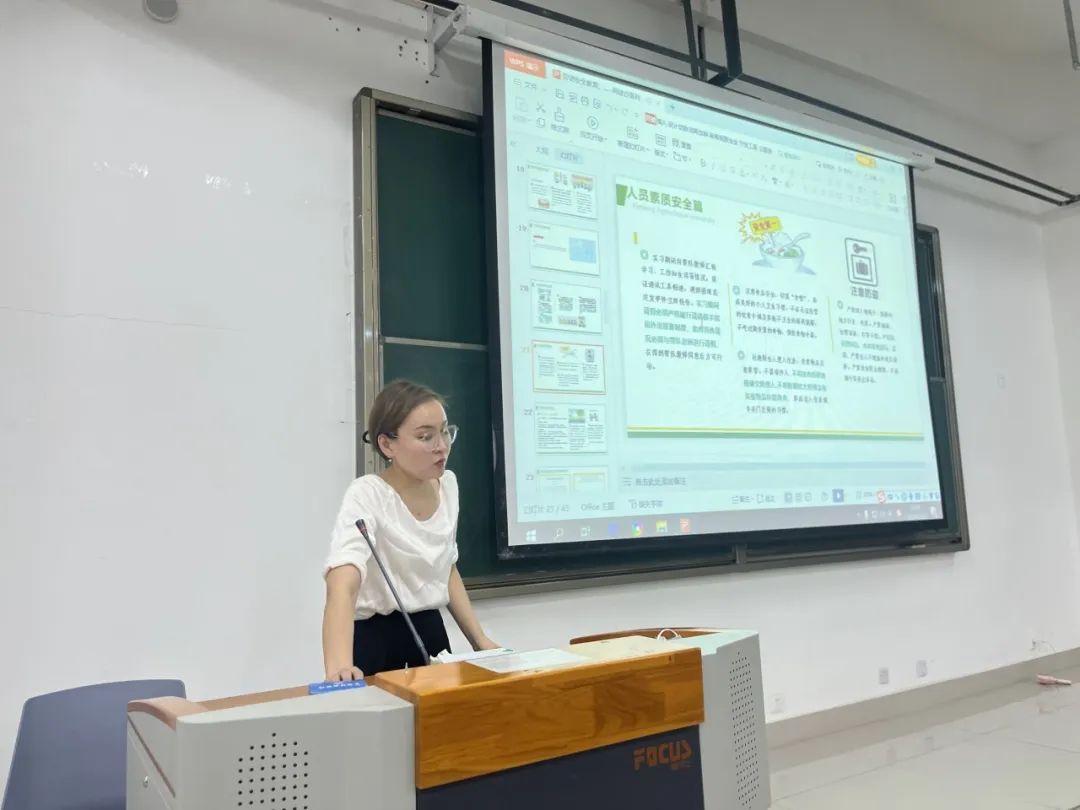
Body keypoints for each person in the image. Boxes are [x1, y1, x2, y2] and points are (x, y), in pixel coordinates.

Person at [321, 379, 499, 681]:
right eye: (425, 437)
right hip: (374, 637)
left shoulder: (448, 486)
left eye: (445, 431)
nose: (441, 446)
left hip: (429, 633)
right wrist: (338, 667)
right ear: (387, 444)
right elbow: (342, 582)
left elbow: (446, 568)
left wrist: (480, 640)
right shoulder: (368, 494)